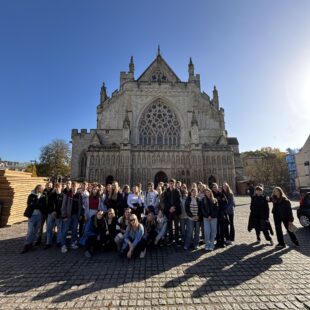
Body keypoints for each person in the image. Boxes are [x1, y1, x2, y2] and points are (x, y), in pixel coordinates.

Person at [21, 185, 46, 253]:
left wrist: (36, 204)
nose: (39, 190)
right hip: (32, 216)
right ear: (36, 188)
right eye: (38, 188)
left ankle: (31, 245)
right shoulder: (31, 195)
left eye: (40, 189)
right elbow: (29, 204)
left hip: (39, 216)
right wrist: (37, 202)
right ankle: (26, 245)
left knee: (35, 231)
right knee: (30, 231)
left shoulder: (43, 197)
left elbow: (42, 206)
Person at [61, 181, 83, 253]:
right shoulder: (67, 194)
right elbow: (63, 205)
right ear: (71, 187)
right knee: (65, 230)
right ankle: (63, 245)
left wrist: (79, 215)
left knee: (74, 230)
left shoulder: (79, 195)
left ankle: (72, 243)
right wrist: (64, 215)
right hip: (68, 215)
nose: (74, 188)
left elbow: (80, 206)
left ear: (77, 187)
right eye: (73, 186)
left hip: (76, 215)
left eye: (75, 187)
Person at [45, 183, 64, 249]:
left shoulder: (63, 196)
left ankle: (59, 242)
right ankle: (48, 243)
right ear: (55, 188)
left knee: (59, 229)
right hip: (51, 214)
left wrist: (58, 212)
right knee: (49, 229)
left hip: (59, 215)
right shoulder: (51, 195)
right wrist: (52, 211)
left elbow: (63, 206)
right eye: (57, 187)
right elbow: (48, 205)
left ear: (61, 188)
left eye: (59, 187)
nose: (58, 188)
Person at [163, 179, 181, 245]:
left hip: (175, 211)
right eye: (170, 183)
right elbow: (165, 201)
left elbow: (178, 201)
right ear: (169, 183)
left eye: (173, 183)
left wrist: (173, 207)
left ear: (174, 184)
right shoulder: (166, 191)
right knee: (170, 226)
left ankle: (176, 240)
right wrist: (170, 208)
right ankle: (170, 239)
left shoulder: (177, 191)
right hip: (169, 211)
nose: (171, 184)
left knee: (176, 226)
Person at [211, 183, 228, 248]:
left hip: (221, 214)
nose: (215, 188)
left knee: (222, 228)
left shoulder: (221, 194)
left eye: (216, 187)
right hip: (214, 214)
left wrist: (223, 211)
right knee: (216, 229)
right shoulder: (211, 194)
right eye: (214, 187)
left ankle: (222, 242)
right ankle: (218, 242)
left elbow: (225, 202)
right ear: (212, 188)